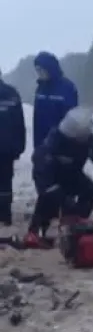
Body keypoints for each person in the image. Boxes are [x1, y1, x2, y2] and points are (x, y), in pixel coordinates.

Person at [25, 107, 93, 244]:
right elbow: (42, 170)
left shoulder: (88, 140)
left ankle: (75, 225)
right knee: (50, 199)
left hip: (72, 173)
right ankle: (36, 231)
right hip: (49, 176)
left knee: (91, 190)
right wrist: (59, 196)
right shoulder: (54, 141)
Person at [33, 51, 79, 149]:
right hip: (42, 145)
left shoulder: (68, 87)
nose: (39, 73)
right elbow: (37, 120)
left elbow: (72, 119)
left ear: (50, 68)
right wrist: (37, 147)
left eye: (41, 70)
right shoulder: (40, 89)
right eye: (37, 70)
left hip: (63, 146)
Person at [0, 71, 26, 225]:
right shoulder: (12, 93)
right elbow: (19, 123)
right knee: (5, 182)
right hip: (8, 148)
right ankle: (5, 215)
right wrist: (19, 146)